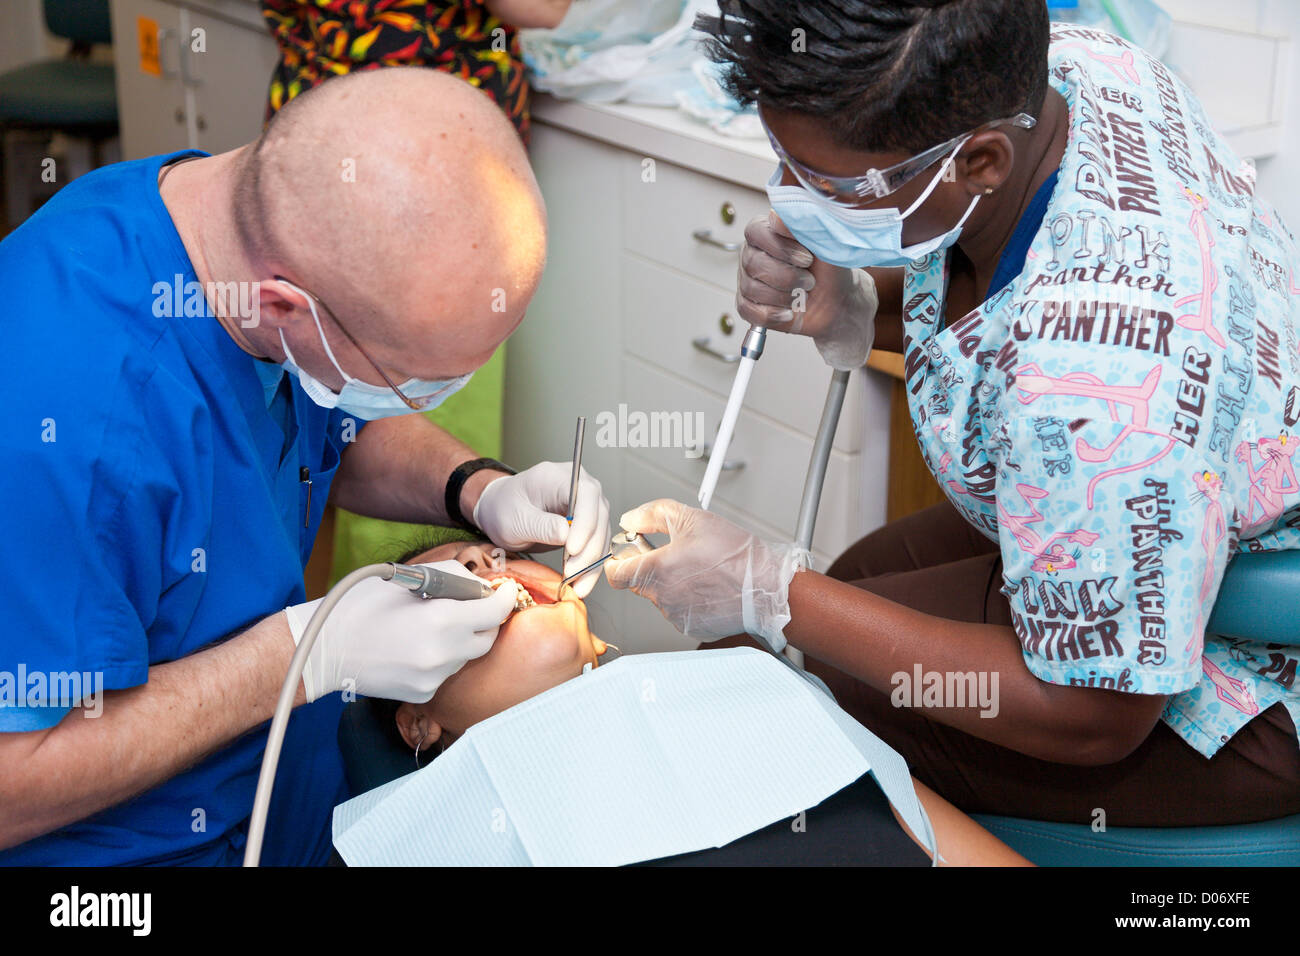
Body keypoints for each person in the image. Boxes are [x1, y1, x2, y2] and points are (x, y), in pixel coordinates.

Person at [604, 0, 1300, 828]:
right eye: (784, 162)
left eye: (827, 183)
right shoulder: (1072, 65)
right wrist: (861, 301)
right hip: (1141, 500)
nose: (791, 206)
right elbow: (988, 272)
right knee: (855, 582)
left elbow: (1093, 716)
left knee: (788, 699)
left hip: (1241, 688)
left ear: (980, 161)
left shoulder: (1095, 383)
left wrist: (768, 593)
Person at [0, 66, 610, 865]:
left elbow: (328, 420)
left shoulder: (229, 229)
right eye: (418, 381)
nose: (431, 403)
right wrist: (303, 652)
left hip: (290, 787)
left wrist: (478, 488)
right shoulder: (60, 423)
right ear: (287, 305)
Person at [346, 540, 1030, 866]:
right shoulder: (432, 838)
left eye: (487, 556)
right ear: (418, 720)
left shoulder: (744, 682)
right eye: (447, 582)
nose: (486, 572)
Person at [261, 0, 575, 142]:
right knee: (441, 264)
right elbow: (542, 8)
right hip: (441, 125)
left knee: (307, 259)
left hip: (307, 106)